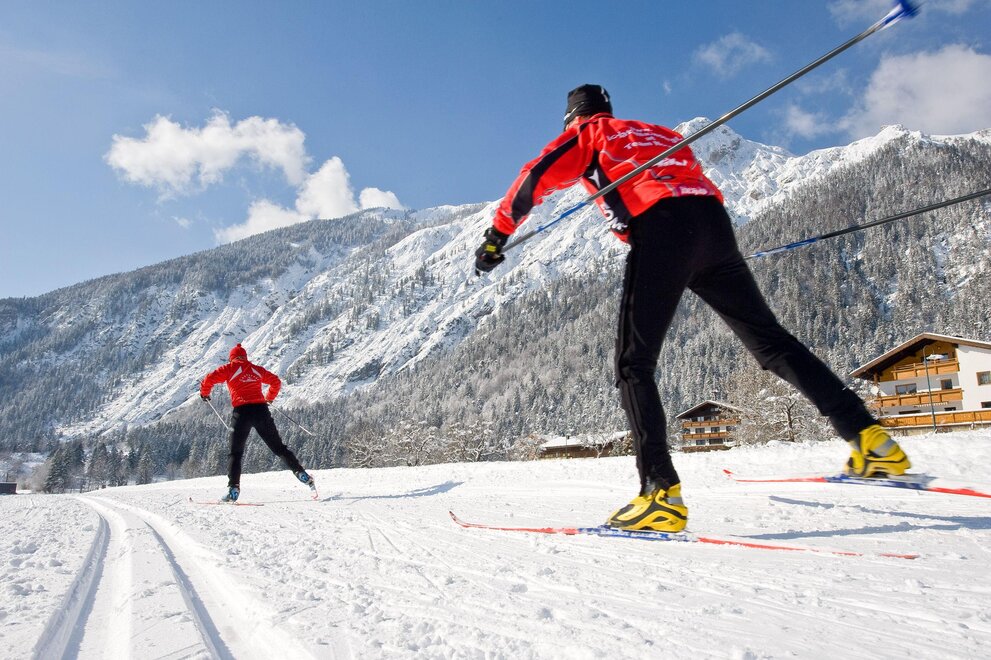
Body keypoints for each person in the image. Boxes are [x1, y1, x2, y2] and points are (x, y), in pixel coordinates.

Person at [474, 84, 910, 533]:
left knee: (633, 365)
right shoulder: (659, 133)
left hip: (661, 229)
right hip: (713, 227)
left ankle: (660, 493)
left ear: (573, 118)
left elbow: (534, 178)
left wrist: (495, 238)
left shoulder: (589, 135)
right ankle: (870, 439)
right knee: (772, 343)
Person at [200, 343, 316, 502]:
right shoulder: (255, 369)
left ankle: (233, 489)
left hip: (241, 413)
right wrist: (269, 398)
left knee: (236, 453)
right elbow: (275, 382)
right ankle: (301, 473)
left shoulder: (229, 368)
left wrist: (205, 393)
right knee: (279, 448)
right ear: (245, 357)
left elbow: (209, 378)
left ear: (232, 357)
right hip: (261, 411)